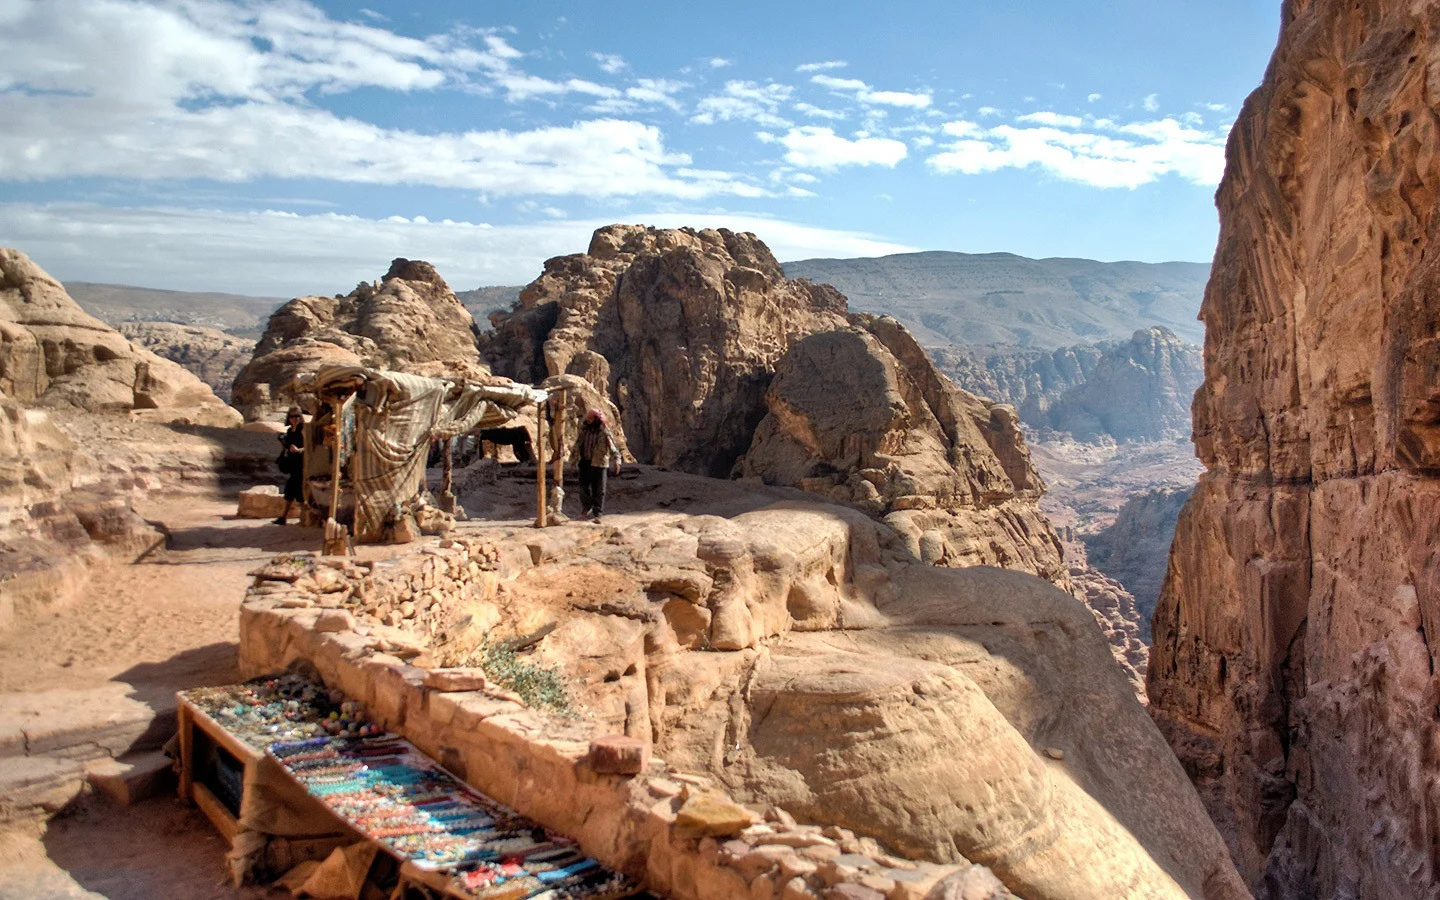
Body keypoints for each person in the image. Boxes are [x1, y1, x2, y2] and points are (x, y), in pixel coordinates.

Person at [570, 408, 620, 522]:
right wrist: (573, 461)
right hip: (585, 463)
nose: (587, 420)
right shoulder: (584, 431)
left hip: (599, 464)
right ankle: (586, 507)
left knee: (599, 490)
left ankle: (597, 512)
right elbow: (576, 447)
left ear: (596, 419)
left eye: (590, 418)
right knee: (583, 488)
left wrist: (617, 461)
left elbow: (613, 447)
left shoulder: (605, 433)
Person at [274, 406, 305, 525]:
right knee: (291, 490)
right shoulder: (289, 431)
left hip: (301, 464)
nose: (294, 419)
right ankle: (284, 517)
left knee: (297, 490)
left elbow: (309, 446)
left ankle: (303, 517)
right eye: (292, 416)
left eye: (297, 416)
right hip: (293, 463)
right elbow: (287, 446)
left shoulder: (303, 430)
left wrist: (299, 450)